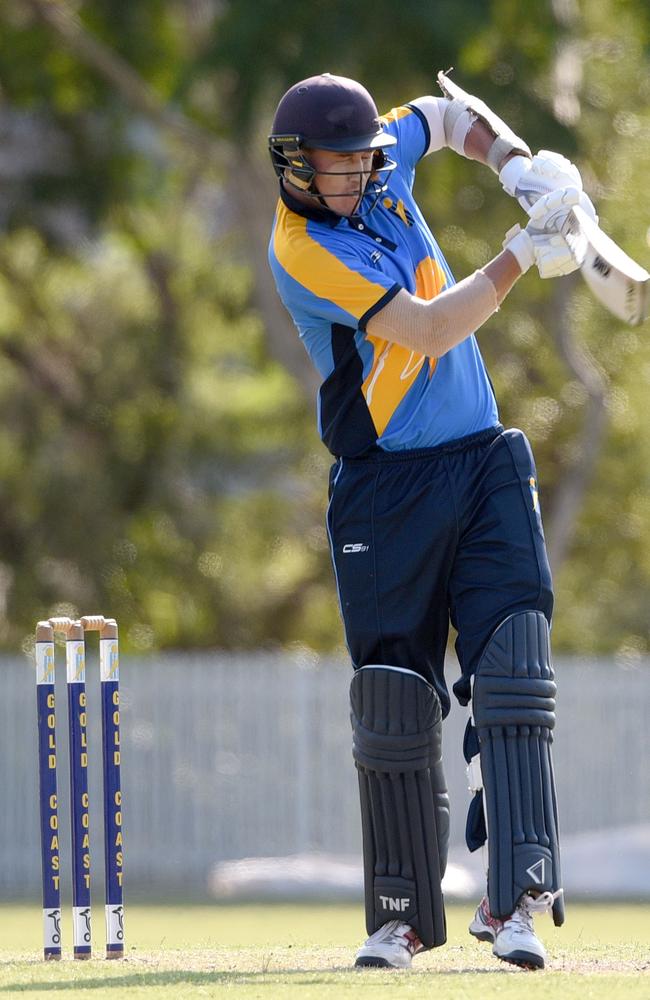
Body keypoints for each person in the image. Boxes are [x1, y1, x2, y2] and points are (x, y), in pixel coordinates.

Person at [267, 71, 593, 971]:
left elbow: (449, 117)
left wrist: (518, 164)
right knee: (396, 699)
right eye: (339, 163)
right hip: (384, 486)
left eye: (365, 157)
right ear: (296, 169)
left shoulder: (376, 163)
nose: (359, 173)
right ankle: (402, 915)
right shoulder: (300, 249)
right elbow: (425, 329)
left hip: (481, 458)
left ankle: (519, 896)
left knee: (516, 662)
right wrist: (524, 250)